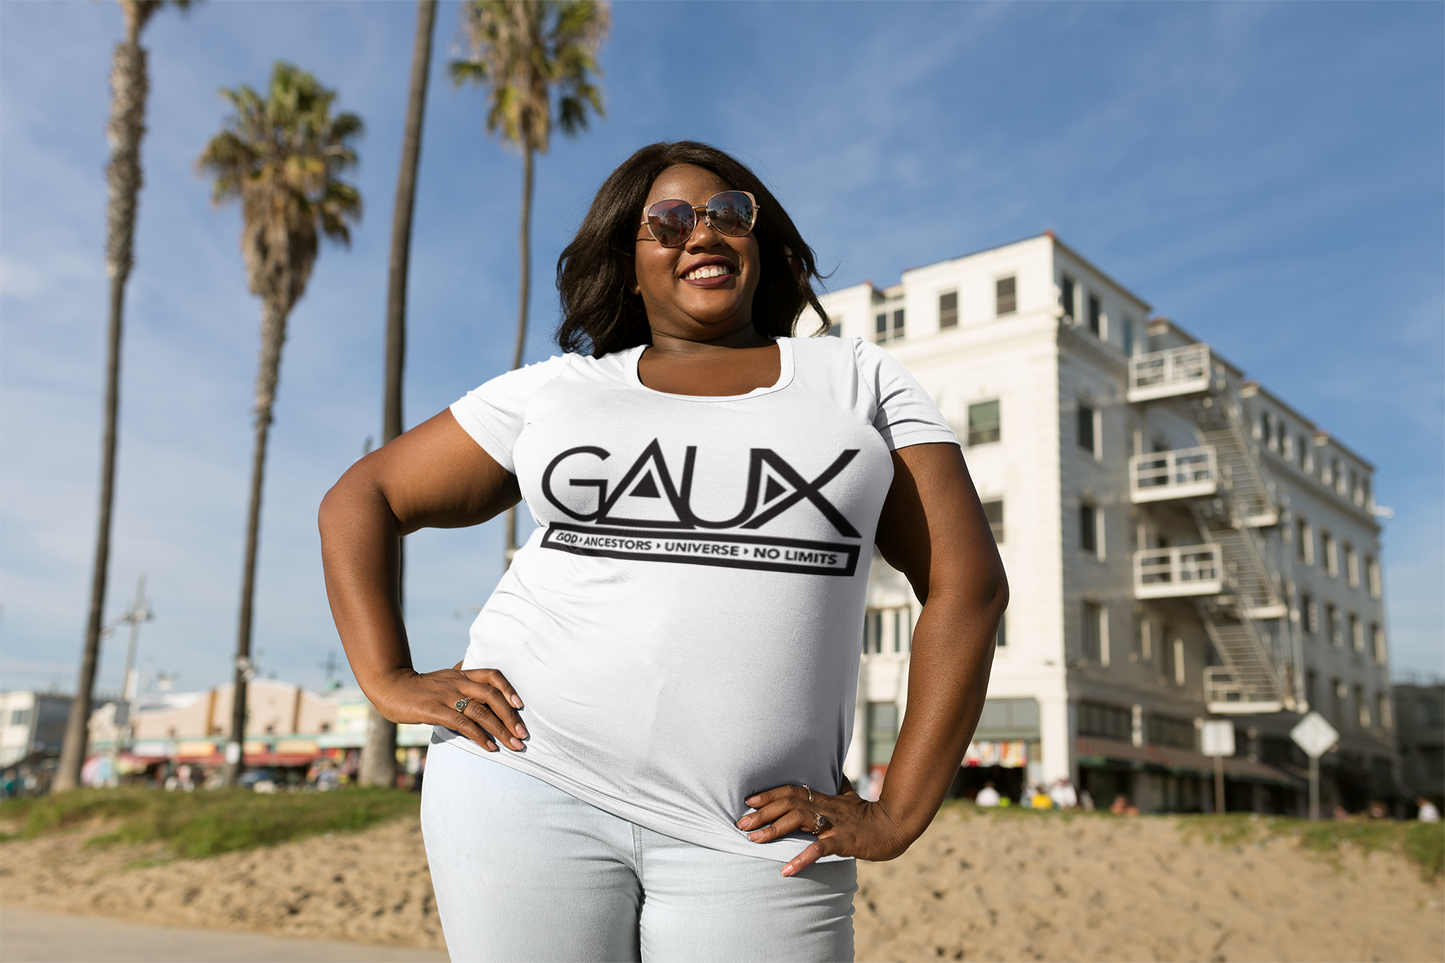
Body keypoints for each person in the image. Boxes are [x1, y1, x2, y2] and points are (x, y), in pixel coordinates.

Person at [320, 141, 1007, 963]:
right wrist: (388, 678)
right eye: (669, 221)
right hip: (526, 786)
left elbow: (967, 588)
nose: (702, 233)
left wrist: (897, 811)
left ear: (762, 241)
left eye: (728, 214)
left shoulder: (856, 379)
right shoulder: (557, 392)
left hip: (758, 830)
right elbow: (361, 498)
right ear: (631, 258)